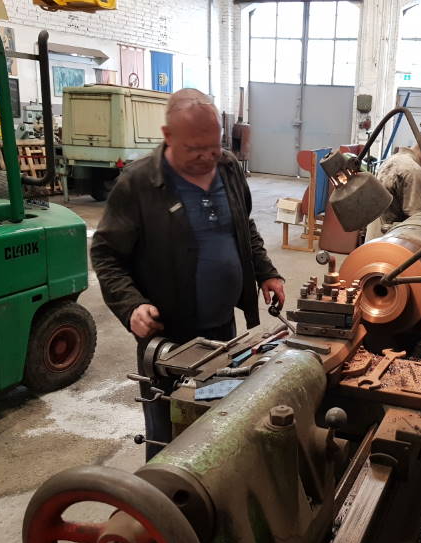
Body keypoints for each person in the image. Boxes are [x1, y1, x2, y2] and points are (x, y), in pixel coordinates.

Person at [90, 88, 285, 459]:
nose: (207, 157)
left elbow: (243, 226)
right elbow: (106, 253)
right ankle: (161, 493)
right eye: (195, 149)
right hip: (168, 342)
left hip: (222, 334)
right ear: (168, 136)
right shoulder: (138, 183)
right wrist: (131, 306)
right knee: (167, 434)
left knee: (215, 419)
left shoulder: (227, 168)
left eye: (213, 147)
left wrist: (266, 273)